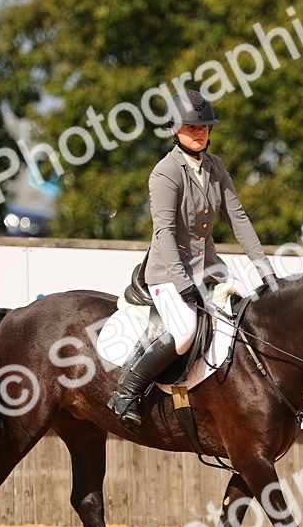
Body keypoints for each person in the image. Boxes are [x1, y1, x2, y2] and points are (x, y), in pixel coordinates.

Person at [108, 89, 279, 427]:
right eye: (191, 127)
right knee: (185, 331)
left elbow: (239, 220)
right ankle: (126, 391)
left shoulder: (216, 167)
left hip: (210, 270)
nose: (199, 132)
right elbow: (165, 234)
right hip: (167, 273)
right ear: (175, 128)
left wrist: (266, 273)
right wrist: (183, 283)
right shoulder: (165, 172)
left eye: (204, 127)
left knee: (249, 304)